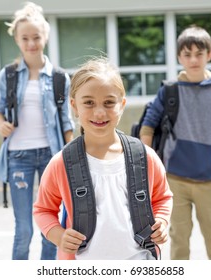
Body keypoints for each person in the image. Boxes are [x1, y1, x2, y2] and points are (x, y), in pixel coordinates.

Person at [33, 57, 173, 260]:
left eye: (108, 103)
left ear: (122, 104)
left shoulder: (145, 157)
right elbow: (43, 209)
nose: (99, 112)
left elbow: (162, 198)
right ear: (74, 106)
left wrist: (161, 221)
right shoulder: (61, 163)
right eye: (88, 102)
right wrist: (58, 235)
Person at [139, 26, 211, 260]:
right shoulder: (170, 90)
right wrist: (153, 165)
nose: (193, 59)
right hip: (175, 180)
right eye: (187, 54)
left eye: (199, 53)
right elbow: (147, 126)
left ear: (210, 55)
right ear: (179, 57)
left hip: (208, 180)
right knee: (179, 238)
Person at [0, 2, 75, 260]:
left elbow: (66, 120)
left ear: (45, 37)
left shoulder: (60, 77)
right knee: (24, 228)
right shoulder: (9, 75)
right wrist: (0, 123)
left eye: (36, 37)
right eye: (25, 38)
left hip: (51, 156)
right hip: (19, 156)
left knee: (50, 226)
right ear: (17, 40)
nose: (31, 43)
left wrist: (70, 155)